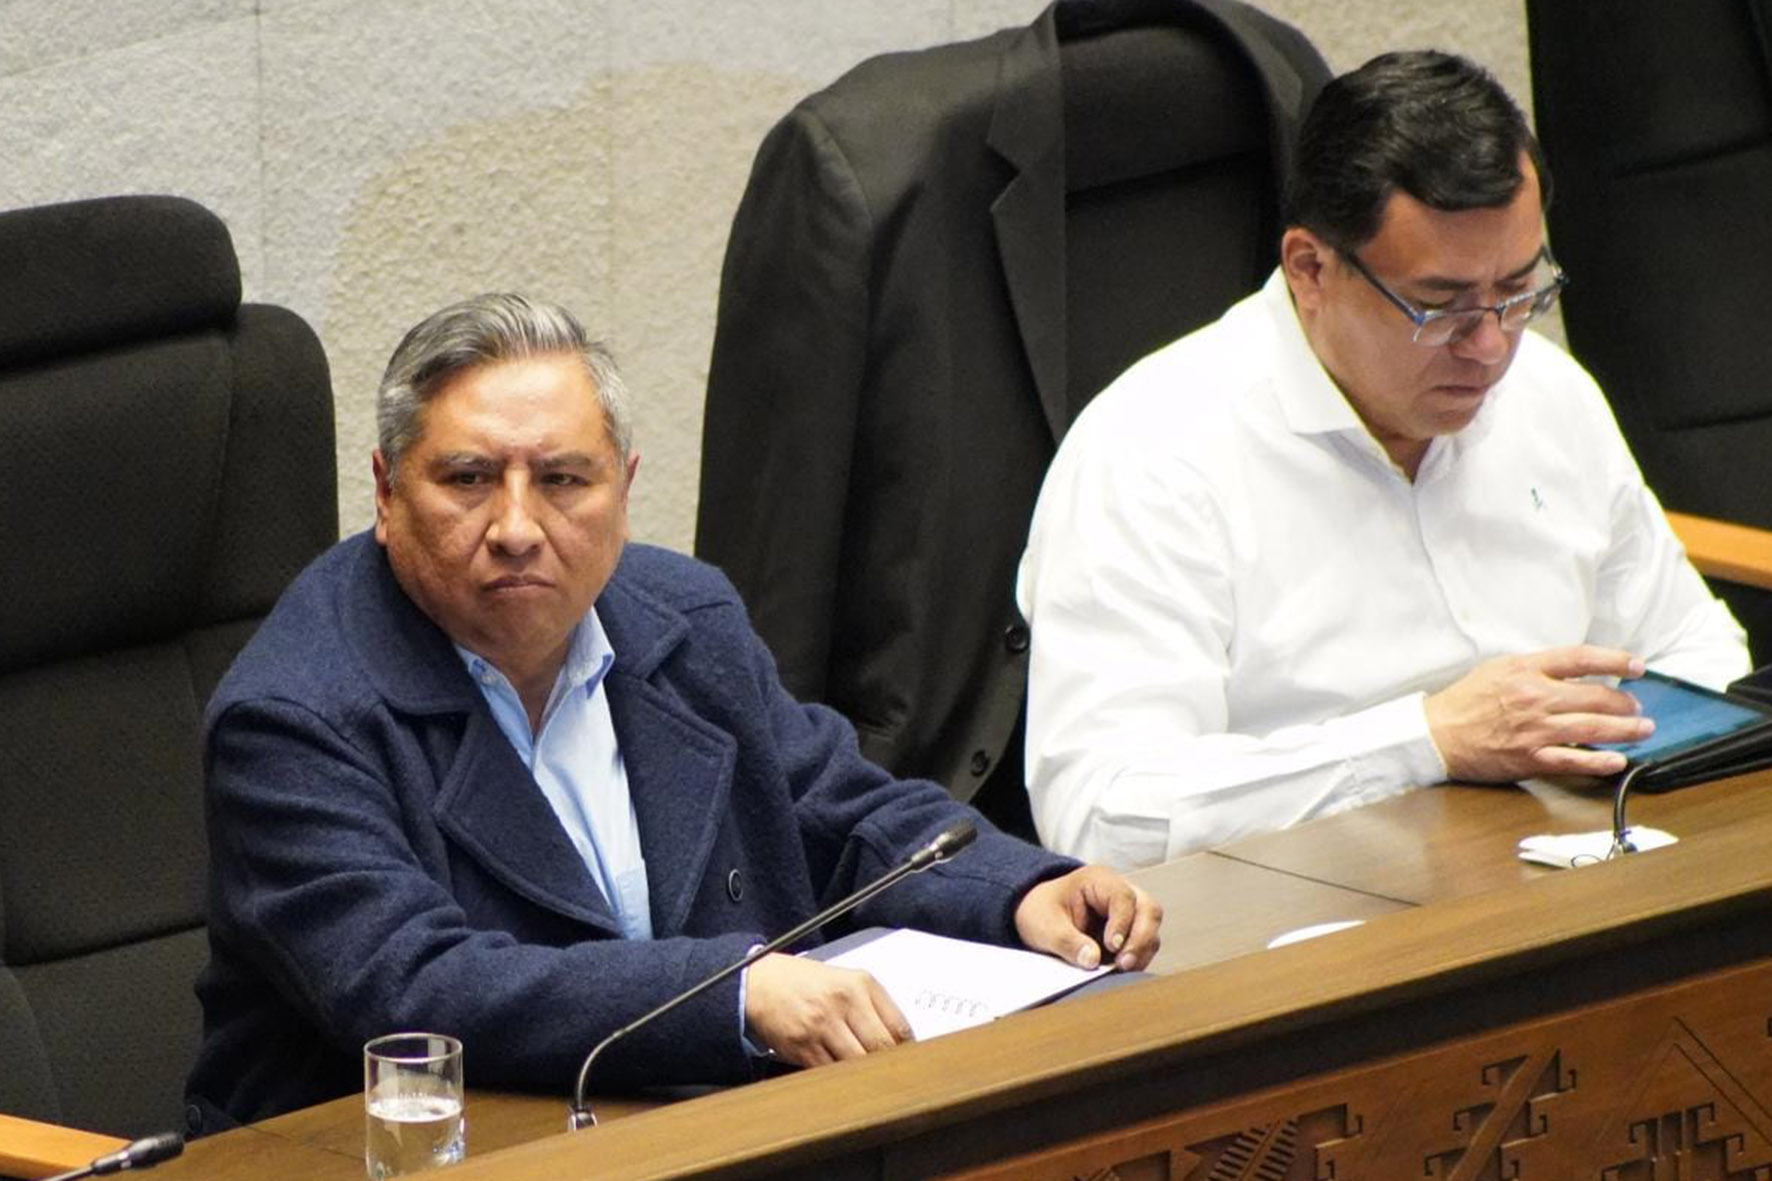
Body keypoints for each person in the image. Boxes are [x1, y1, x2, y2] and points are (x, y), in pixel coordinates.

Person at [185, 294, 1161, 1129]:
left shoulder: (682, 619)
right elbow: (415, 986)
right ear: (386, 492)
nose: (517, 527)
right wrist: (735, 993)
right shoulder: (293, 714)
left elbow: (840, 813)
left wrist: (1017, 889)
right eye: (469, 479)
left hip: (689, 1128)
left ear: (624, 490)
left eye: (563, 480)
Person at [1016, 50, 1750, 869]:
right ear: (1310, 269)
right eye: (1440, 306)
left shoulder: (1550, 395)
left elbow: (1698, 654)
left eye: (1519, 291)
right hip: (1302, 904)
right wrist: (1426, 740)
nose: (1491, 347)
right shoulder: (1151, 453)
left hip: (1569, 863)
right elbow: (1104, 812)